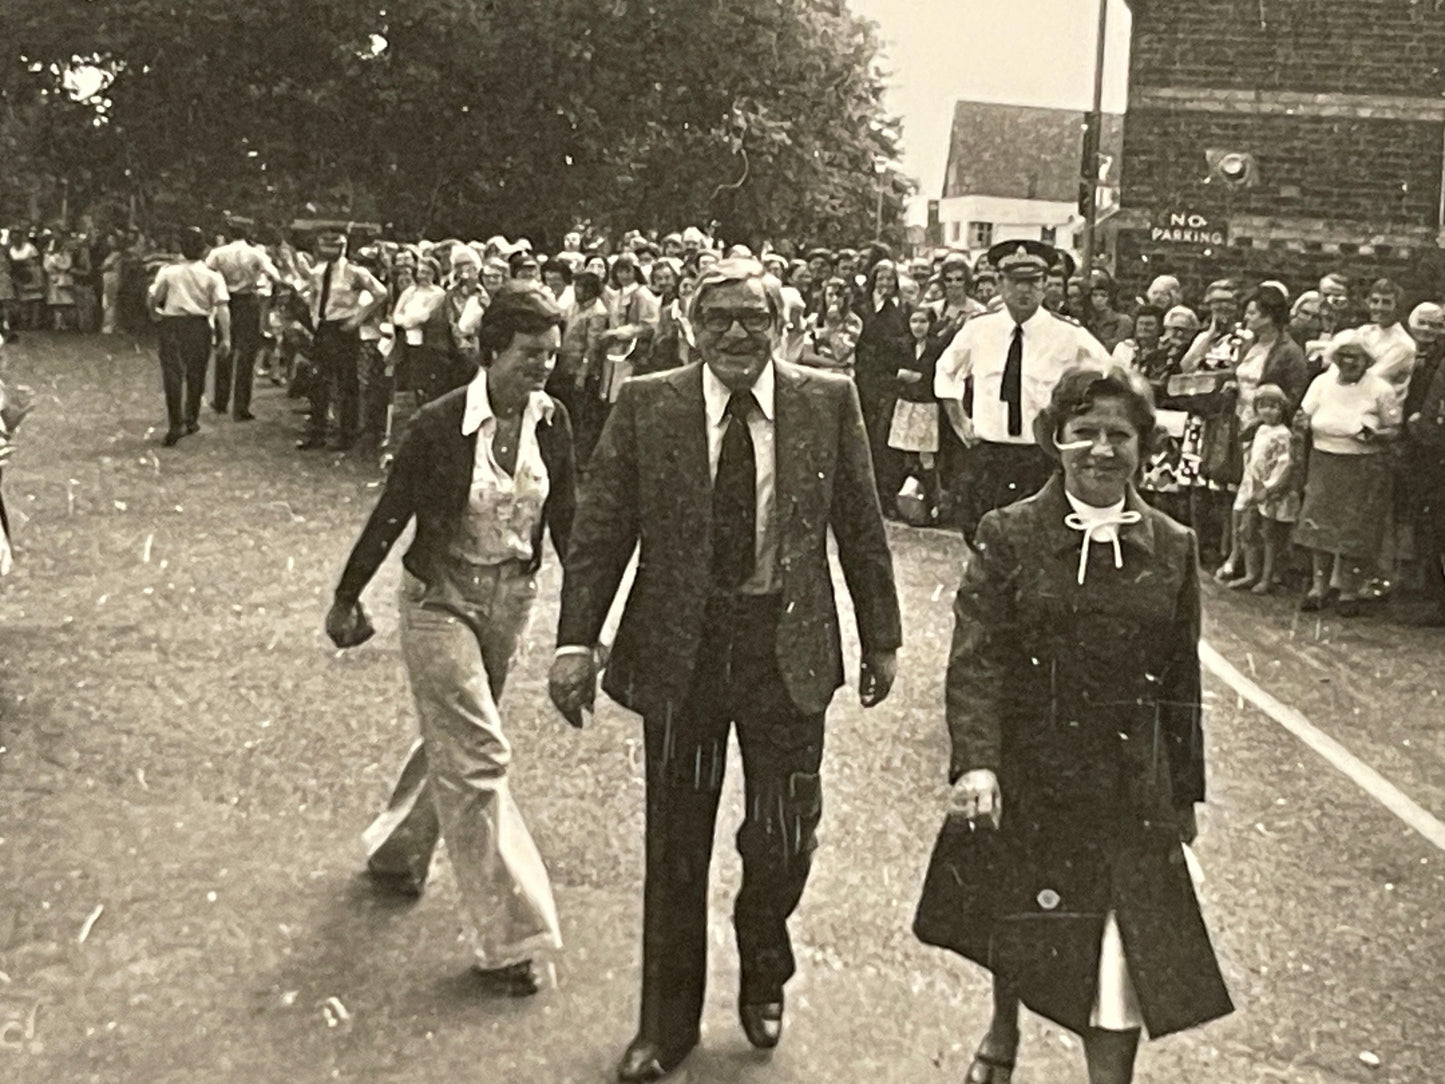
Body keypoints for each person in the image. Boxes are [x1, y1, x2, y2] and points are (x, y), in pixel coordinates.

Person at [548, 258, 901, 1082]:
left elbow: (860, 522)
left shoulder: (825, 399)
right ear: (688, 326)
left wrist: (880, 635)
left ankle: (763, 948)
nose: (736, 335)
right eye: (718, 321)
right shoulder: (647, 404)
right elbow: (600, 534)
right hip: (686, 653)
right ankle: (664, 1027)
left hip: (787, 651)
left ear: (782, 325)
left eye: (754, 319)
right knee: (676, 845)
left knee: (780, 835)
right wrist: (575, 641)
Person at [914, 364, 1233, 1084]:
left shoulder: (1174, 544)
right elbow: (977, 658)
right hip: (1030, 773)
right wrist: (976, 763)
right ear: (1054, 439)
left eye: (1117, 435)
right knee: (1018, 914)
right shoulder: (1009, 532)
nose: (1099, 450)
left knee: (1118, 965)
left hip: (1127, 789)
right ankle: (1002, 1029)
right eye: (1082, 432)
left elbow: (1180, 681)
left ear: (1140, 448)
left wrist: (1183, 794)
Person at [327, 282, 575, 994]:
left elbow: (570, 522)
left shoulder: (554, 422)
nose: (542, 369)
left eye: (552, 356)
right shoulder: (439, 424)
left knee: (459, 736)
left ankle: (397, 854)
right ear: (491, 348)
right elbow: (392, 511)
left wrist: (582, 628)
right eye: (530, 354)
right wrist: (346, 597)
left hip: (511, 599)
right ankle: (511, 938)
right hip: (438, 597)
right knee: (480, 753)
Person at [934, 239, 1110, 544]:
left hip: (1040, 458)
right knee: (982, 539)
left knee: (1040, 545)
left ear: (1044, 285)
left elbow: (1108, 377)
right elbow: (945, 370)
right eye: (1016, 281)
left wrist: (1080, 428)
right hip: (988, 454)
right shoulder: (979, 329)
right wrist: (959, 419)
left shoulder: (1068, 334)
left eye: (1032, 282)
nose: (1024, 290)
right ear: (1001, 283)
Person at [1294, 331, 1402, 616]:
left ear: (1367, 359)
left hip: (1363, 465)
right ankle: (1319, 588)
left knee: (1355, 528)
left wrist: (1376, 433)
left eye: (1355, 356)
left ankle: (1349, 590)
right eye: (1343, 355)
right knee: (1320, 524)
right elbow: (1303, 415)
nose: (1349, 362)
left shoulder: (1381, 389)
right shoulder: (1321, 382)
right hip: (1323, 461)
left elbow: (1395, 428)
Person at [300, 229, 387, 450]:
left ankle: (347, 435)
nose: (328, 248)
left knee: (347, 382)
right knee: (318, 381)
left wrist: (357, 318)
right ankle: (317, 432)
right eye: (324, 243)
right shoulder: (319, 271)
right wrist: (315, 317)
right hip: (324, 327)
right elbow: (314, 295)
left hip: (344, 329)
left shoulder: (354, 272)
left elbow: (380, 293)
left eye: (334, 244)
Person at [148, 228, 232, 447]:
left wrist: (153, 312)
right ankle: (191, 418)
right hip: (199, 325)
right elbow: (222, 307)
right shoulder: (212, 275)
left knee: (173, 375)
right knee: (196, 374)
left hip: (172, 325)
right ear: (204, 249)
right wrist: (226, 338)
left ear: (181, 249)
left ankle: (175, 423)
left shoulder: (168, 272)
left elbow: (154, 297)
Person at [1223, 384, 1298, 593]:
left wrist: (1270, 488)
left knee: (1269, 534)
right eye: (1263, 406)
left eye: (1274, 406)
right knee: (1246, 528)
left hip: (1270, 488)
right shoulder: (1261, 430)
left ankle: (1267, 577)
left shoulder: (1283, 434)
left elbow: (1286, 465)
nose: (1268, 411)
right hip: (1252, 483)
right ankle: (1250, 573)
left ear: (1282, 408)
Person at [206, 223, 282, 421]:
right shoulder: (256, 254)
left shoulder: (218, 253)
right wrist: (257, 281)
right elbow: (275, 276)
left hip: (225, 301)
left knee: (225, 350)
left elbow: (206, 274)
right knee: (247, 356)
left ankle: (220, 401)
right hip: (248, 302)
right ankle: (241, 408)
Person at [853, 258, 911, 514]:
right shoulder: (863, 307)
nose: (886, 284)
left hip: (892, 380)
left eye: (890, 279)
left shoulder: (905, 309)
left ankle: (887, 497)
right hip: (866, 378)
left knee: (885, 439)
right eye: (881, 279)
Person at [890, 305, 944, 524]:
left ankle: (932, 503)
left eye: (922, 321)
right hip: (906, 404)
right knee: (905, 455)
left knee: (926, 456)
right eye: (914, 321)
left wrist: (921, 378)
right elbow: (885, 367)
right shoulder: (902, 345)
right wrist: (900, 375)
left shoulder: (936, 346)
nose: (918, 326)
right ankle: (906, 504)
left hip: (926, 406)